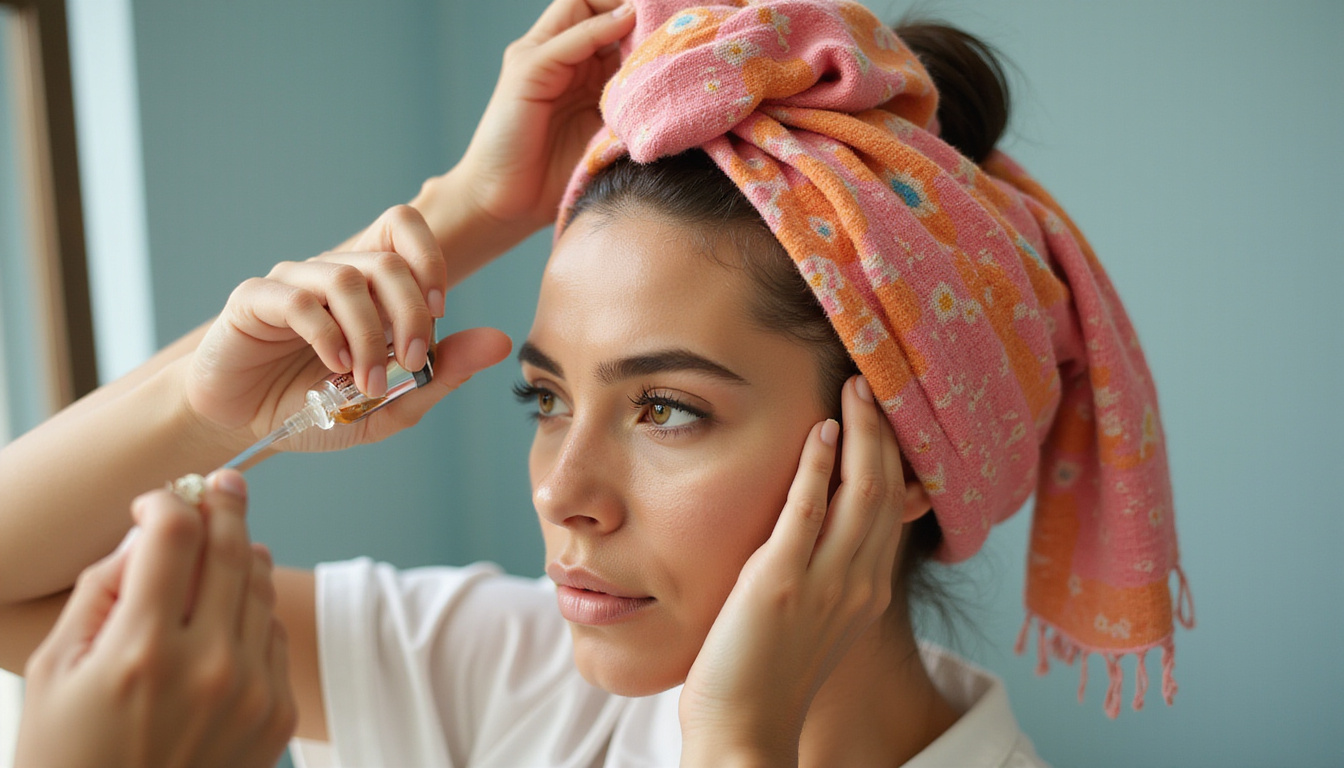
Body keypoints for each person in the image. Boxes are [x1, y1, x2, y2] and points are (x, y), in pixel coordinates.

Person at [0, 0, 1189, 765]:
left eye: (666, 407)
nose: (562, 494)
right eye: (546, 396)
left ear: (901, 462)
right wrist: (453, 222)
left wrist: (737, 750)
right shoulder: (507, 667)